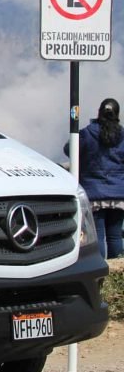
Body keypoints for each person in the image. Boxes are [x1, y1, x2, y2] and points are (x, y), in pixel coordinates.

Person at [76, 98, 124, 260]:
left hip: (94, 194)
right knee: (115, 237)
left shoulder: (88, 133)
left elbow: (70, 149)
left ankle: (101, 274)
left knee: (98, 236)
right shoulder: (122, 135)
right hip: (118, 195)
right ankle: (117, 276)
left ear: (99, 112)